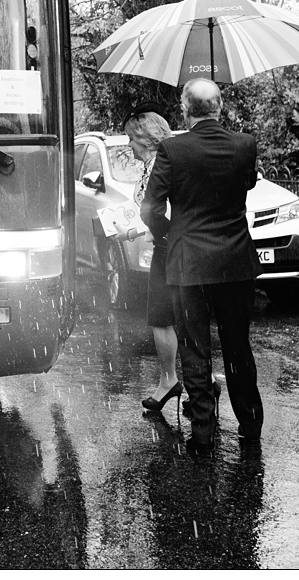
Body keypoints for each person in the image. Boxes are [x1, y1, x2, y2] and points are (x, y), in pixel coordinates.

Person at [141, 78, 263, 458]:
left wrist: (168, 236)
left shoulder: (172, 150)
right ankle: (251, 426)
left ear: (184, 110)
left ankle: (204, 435)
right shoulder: (244, 145)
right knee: (237, 346)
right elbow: (246, 185)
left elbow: (150, 208)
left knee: (195, 348)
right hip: (234, 263)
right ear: (220, 106)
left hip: (188, 263)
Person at [122, 111, 181, 414]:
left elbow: (164, 214)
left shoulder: (160, 165)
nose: (128, 144)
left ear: (144, 139)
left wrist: (138, 232)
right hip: (169, 245)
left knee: (162, 315)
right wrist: (133, 230)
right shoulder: (153, 164)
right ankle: (203, 379)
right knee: (182, 314)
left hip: (168, 248)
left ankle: (169, 379)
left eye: (131, 138)